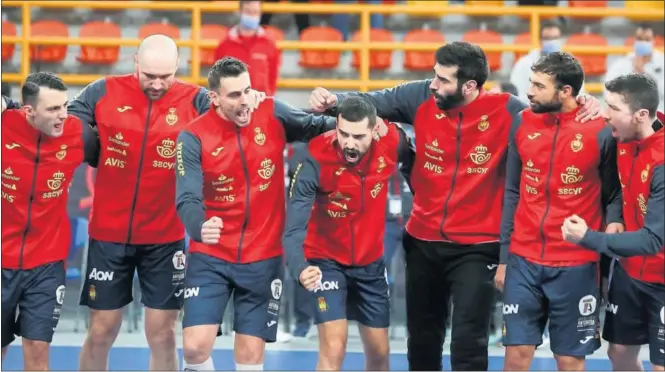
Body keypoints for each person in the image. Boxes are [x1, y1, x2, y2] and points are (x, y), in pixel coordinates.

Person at [307, 41, 601, 371]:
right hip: (422, 241)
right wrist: (331, 102)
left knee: (468, 341)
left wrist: (587, 103)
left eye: (443, 79)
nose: (434, 84)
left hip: (479, 247)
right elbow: (368, 103)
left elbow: (556, 111)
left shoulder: (508, 111)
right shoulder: (420, 96)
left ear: (470, 86)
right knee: (422, 340)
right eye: (434, 75)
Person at [68, 35, 236, 371]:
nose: (157, 84)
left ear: (178, 67)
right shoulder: (102, 91)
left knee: (162, 334)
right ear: (135, 63)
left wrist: (247, 101)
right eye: (149, 76)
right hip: (109, 236)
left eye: (165, 75)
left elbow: (233, 119)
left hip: (164, 238)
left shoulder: (197, 100)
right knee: (101, 331)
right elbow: (61, 120)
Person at [175, 57, 349, 371]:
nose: (244, 102)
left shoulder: (271, 112)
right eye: (234, 95)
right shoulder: (193, 136)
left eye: (247, 91)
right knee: (194, 348)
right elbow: (186, 195)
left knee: (249, 355)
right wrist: (199, 226)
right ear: (213, 98)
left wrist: (344, 114)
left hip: (263, 256)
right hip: (211, 254)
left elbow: (320, 127)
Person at [497, 51, 623, 371]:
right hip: (524, 260)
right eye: (531, 83)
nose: (529, 91)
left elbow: (613, 195)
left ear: (566, 92)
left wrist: (608, 251)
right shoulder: (522, 122)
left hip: (576, 264)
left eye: (539, 86)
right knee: (515, 357)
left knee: (568, 360)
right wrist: (503, 257)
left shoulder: (601, 130)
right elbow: (512, 191)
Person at [282, 96, 414, 371]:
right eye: (343, 134)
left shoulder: (391, 142)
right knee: (334, 348)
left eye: (358, 136)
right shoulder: (314, 159)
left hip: (370, 265)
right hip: (325, 263)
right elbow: (293, 225)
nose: (349, 144)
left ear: (375, 130)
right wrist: (300, 267)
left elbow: (417, 163)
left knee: (379, 354)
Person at [561, 73, 664, 372]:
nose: (606, 115)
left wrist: (587, 237)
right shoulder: (624, 136)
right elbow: (622, 187)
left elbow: (652, 240)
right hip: (631, 273)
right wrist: (617, 217)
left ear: (641, 115)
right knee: (618, 352)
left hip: (662, 276)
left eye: (614, 108)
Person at [1, 72, 99, 370]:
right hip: (2, 258)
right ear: (28, 111)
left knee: (38, 348)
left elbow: (124, 154)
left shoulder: (78, 133)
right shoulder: (4, 126)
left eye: (65, 106)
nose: (63, 116)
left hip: (47, 262)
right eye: (53, 109)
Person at [214, 0, 280, 97]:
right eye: (248, 12)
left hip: (261, 103)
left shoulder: (269, 45)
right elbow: (218, 78)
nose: (252, 16)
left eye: (255, 12)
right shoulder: (224, 45)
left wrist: (267, 98)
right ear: (240, 12)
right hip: (232, 104)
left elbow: (273, 78)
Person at [605, 24, 665, 112]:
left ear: (653, 41)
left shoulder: (662, 62)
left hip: (659, 112)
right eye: (639, 39)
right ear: (634, 40)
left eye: (647, 39)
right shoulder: (622, 63)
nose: (643, 42)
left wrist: (646, 75)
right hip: (628, 114)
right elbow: (608, 90)